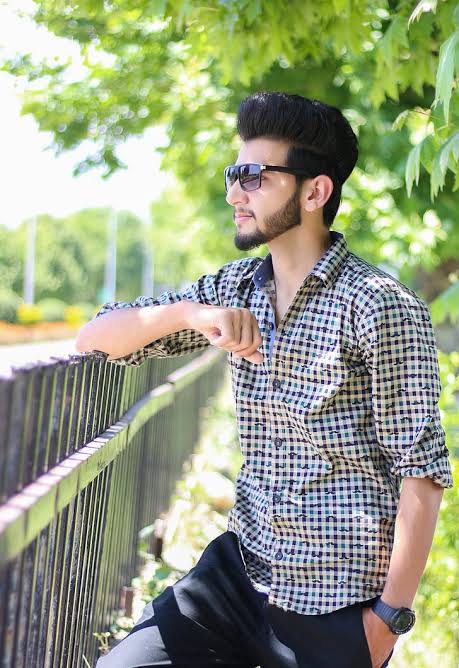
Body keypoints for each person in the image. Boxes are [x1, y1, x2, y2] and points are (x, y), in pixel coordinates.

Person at [77, 91, 453, 668]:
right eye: (234, 176)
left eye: (253, 177)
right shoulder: (235, 288)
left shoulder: (379, 305)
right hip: (241, 570)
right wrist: (191, 315)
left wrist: (388, 620)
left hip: (335, 594)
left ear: (314, 192)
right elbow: (95, 337)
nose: (234, 194)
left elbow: (421, 473)